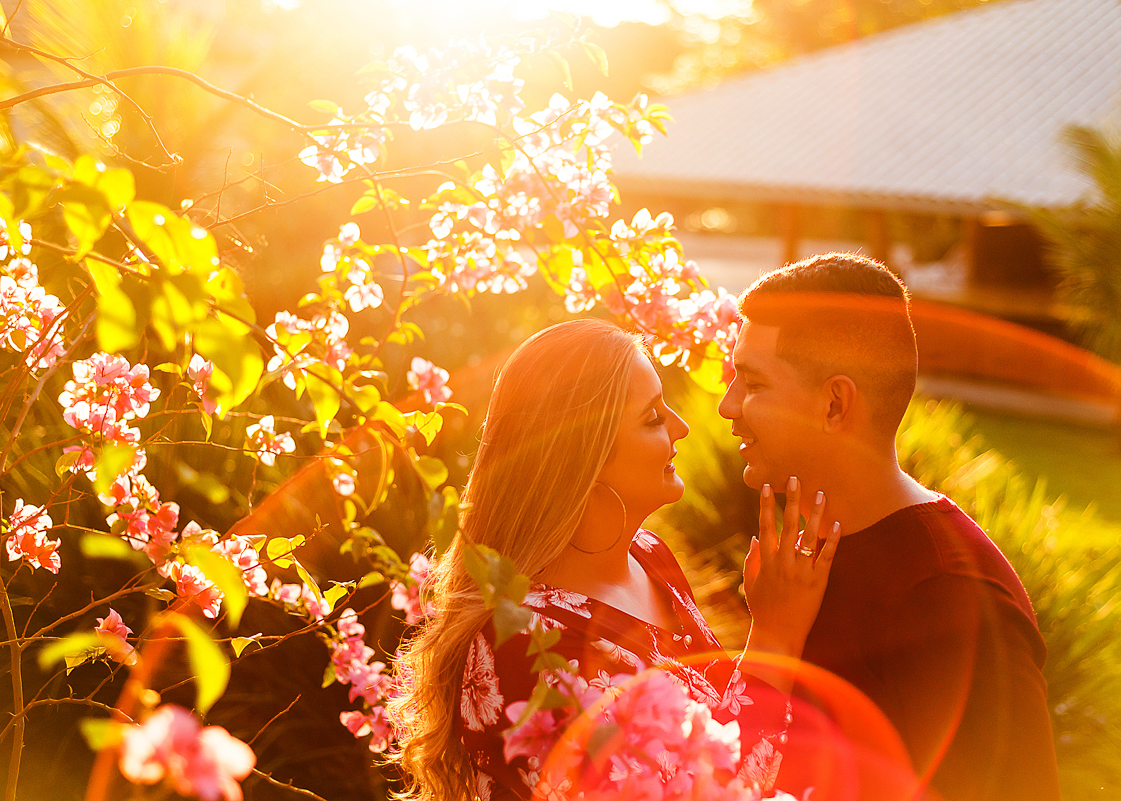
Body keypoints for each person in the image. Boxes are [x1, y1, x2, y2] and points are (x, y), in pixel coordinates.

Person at [388, 318, 846, 801]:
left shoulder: (650, 557)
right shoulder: (521, 650)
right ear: (581, 456)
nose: (681, 427)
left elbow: (715, 728)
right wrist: (774, 637)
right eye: (652, 418)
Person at [719, 253, 1061, 801]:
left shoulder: (948, 594)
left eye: (752, 383)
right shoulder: (800, 569)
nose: (726, 405)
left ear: (835, 404)